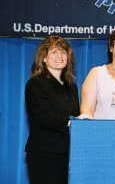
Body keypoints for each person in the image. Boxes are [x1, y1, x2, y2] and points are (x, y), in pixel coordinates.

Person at [25, 35, 80, 184]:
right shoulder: (35, 84)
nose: (59, 56)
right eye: (54, 52)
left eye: (63, 52)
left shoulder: (72, 87)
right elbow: (44, 116)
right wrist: (71, 123)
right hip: (44, 154)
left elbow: (76, 115)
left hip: (69, 154)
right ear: (43, 57)